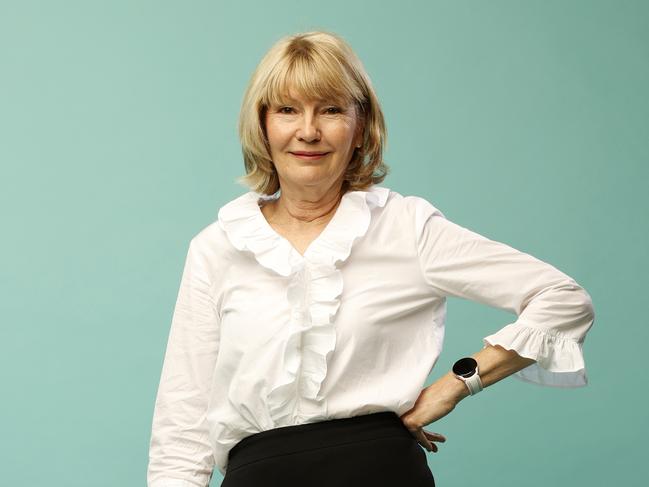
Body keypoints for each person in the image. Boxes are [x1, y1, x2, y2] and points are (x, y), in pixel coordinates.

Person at [146, 30, 595, 487]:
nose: (308, 130)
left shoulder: (405, 227)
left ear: (360, 127)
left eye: (331, 110)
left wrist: (457, 384)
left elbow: (562, 299)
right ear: (261, 125)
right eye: (287, 110)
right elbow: (182, 429)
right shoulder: (217, 247)